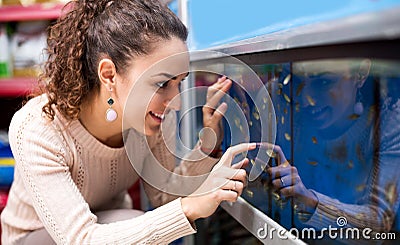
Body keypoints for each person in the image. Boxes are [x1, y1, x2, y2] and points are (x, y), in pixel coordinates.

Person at [0, 0, 255, 244]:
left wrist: (208, 141)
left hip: (108, 226)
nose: (175, 102)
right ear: (109, 74)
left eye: (179, 83)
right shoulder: (39, 127)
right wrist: (189, 206)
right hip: (36, 236)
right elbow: (81, 239)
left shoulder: (153, 117)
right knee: (135, 222)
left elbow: (164, 196)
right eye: (162, 83)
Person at [264, 59, 400, 240]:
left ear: (361, 72)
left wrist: (309, 202)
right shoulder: (279, 96)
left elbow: (377, 226)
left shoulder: (389, 119)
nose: (306, 101)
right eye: (296, 82)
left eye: (323, 82)